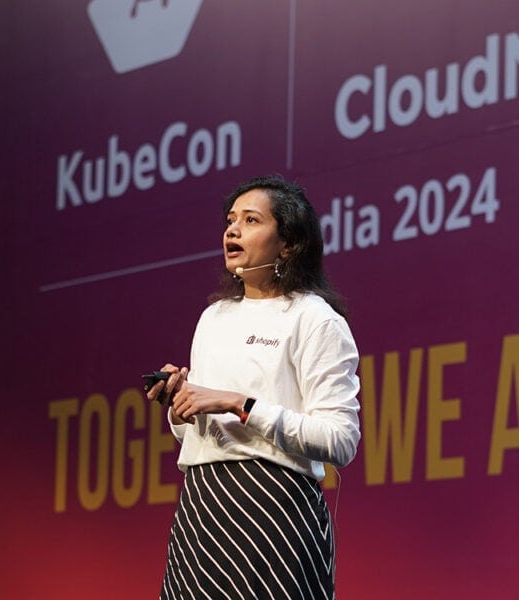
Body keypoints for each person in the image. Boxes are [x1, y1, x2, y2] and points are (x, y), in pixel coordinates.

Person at [148, 175, 362, 599]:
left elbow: (341, 440)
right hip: (202, 510)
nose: (233, 230)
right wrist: (182, 408)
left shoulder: (314, 320)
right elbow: (204, 434)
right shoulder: (214, 318)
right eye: (230, 220)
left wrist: (239, 403)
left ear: (288, 243)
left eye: (250, 220)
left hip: (273, 510)